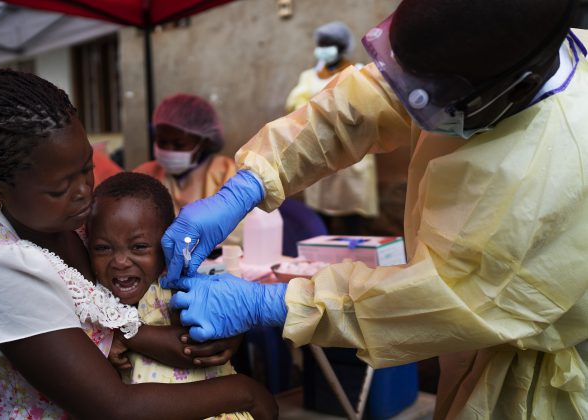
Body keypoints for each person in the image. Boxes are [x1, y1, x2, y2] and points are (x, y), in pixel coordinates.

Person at [160, 0, 588, 418]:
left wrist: (272, 303)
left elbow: (448, 298)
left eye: (434, 100)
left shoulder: (559, 168)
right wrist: (248, 185)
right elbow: (358, 106)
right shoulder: (478, 64)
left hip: (535, 384)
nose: (413, 105)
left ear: (522, 85)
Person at [0, 69, 277, 419]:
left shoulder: (88, 228)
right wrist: (245, 392)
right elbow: (115, 408)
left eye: (86, 168)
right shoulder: (1, 271)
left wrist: (216, 333)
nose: (85, 191)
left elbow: (160, 308)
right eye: (59, 188)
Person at [87, 171, 253, 419]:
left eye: (139, 247)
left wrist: (126, 335)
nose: (120, 261)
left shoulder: (173, 287)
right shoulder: (95, 296)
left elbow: (195, 349)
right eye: (103, 248)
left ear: (166, 244)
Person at [286, 21, 379, 235]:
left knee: (353, 214)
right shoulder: (309, 76)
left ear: (341, 46)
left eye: (329, 44)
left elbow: (366, 106)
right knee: (320, 213)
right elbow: (295, 104)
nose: (323, 49)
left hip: (352, 151)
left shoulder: (358, 72)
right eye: (321, 44)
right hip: (319, 149)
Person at [134, 93, 243, 245]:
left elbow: (240, 231)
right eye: (161, 141)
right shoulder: (144, 175)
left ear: (204, 142)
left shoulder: (227, 172)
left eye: (179, 145)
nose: (168, 150)